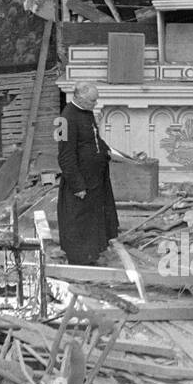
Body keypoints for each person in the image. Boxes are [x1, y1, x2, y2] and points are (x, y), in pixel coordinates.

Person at [56, 82, 119, 266]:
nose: (96, 103)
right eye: (93, 100)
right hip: (80, 183)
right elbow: (65, 156)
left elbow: (94, 139)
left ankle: (93, 254)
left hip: (95, 179)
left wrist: (107, 151)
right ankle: (79, 260)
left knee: (94, 219)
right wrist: (77, 185)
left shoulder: (87, 112)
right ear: (80, 98)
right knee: (79, 221)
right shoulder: (64, 120)